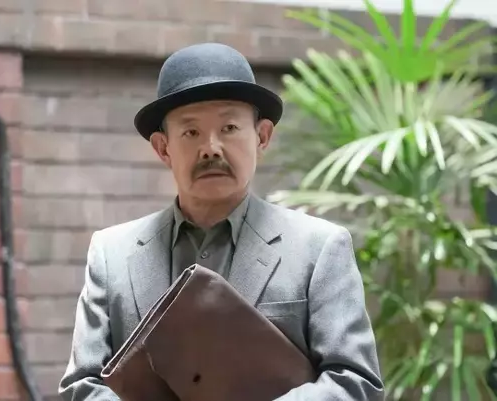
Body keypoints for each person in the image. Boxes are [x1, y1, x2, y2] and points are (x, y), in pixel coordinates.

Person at [58, 42, 384, 401]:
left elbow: (355, 382)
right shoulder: (111, 254)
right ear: (163, 148)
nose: (211, 148)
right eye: (191, 132)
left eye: (229, 127)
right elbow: (80, 386)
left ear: (261, 136)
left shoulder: (320, 248)